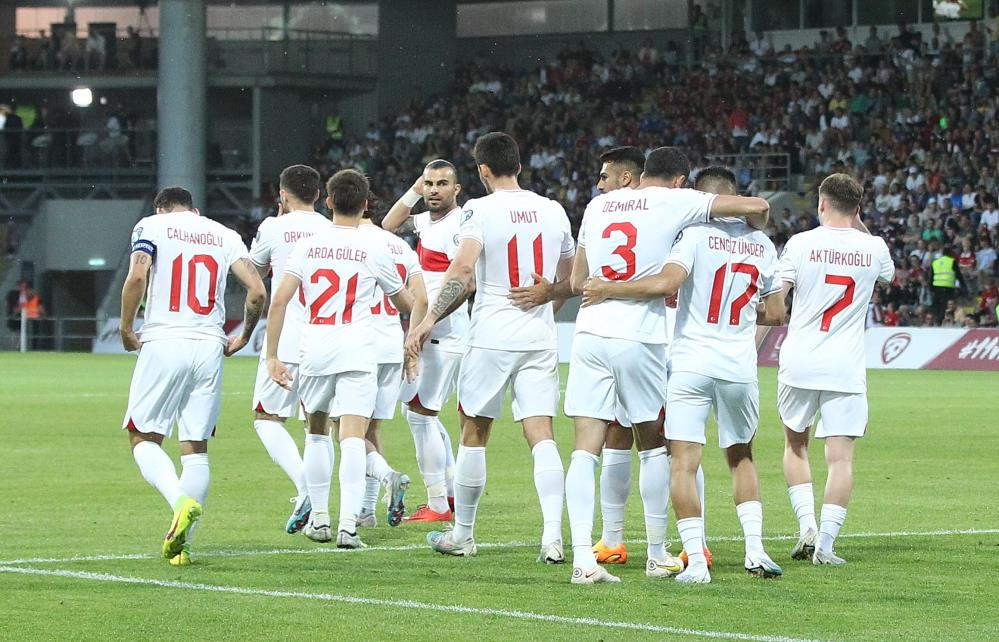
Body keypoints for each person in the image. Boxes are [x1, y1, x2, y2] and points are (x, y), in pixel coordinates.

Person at [509, 146, 712, 568]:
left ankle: (604, 549)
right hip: (648, 334)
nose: (598, 184)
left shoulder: (606, 209)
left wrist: (556, 291)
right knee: (656, 439)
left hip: (614, 331)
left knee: (610, 441)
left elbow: (581, 281)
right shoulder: (673, 212)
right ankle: (639, 546)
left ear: (628, 177)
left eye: (604, 176)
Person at [583, 167, 782, 584]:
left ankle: (695, 563)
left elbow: (667, 283)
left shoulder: (693, 235)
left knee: (683, 463)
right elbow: (777, 313)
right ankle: (755, 550)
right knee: (741, 455)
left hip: (691, 361)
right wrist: (742, 314)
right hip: (739, 365)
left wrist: (609, 288)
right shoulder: (763, 245)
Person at [405, 132, 574, 562]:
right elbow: (572, 280)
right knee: (541, 434)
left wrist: (428, 320)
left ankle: (463, 535)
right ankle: (553, 537)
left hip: (492, 336)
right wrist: (547, 297)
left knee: (474, 432)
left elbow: (462, 272)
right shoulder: (553, 210)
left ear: (482, 170)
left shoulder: (478, 210)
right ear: (519, 165)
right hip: (539, 336)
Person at [266, 169, 414, 549]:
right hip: (359, 349)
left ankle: (320, 520)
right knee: (352, 437)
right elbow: (404, 302)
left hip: (314, 347)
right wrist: (419, 320)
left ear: (328, 201)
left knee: (316, 432)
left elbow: (279, 301)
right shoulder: (374, 248)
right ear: (365, 204)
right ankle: (348, 526)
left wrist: (272, 356)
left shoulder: (308, 246)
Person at [121, 186, 266, 566]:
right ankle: (182, 547)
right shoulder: (223, 234)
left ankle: (179, 501)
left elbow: (136, 278)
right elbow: (256, 291)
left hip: (164, 339)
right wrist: (244, 336)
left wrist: (125, 327)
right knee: (195, 449)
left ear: (161, 209)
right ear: (195, 211)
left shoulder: (151, 226)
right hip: (209, 346)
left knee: (143, 437)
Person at [775, 174, 894, 565]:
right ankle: (825, 545)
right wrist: (858, 222)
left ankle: (806, 527)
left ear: (821, 203)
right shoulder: (874, 247)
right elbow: (888, 275)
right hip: (845, 366)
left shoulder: (799, 243)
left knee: (796, 446)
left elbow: (778, 297)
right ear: (858, 208)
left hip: (799, 361)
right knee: (840, 459)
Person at [381, 160, 470, 523]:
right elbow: (389, 226)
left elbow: (465, 284)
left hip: (442, 334)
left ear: (456, 189)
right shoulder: (426, 222)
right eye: (429, 183)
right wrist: (413, 191)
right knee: (419, 412)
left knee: (420, 415)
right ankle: (449, 491)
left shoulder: (459, 226)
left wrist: (428, 323)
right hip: (430, 331)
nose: (434, 190)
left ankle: (438, 504)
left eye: (442, 183)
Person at [247, 165, 334, 534]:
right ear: (318, 195)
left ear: (283, 195)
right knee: (319, 427)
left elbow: (253, 274)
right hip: (327, 339)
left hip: (286, 339)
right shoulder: (333, 228)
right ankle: (327, 509)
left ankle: (305, 488)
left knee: (266, 418)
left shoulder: (273, 227)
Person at [354, 204, 427, 527]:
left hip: (359, 343)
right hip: (391, 343)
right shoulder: (400, 247)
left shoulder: (352, 241)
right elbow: (421, 299)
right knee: (371, 429)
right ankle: (367, 511)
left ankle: (387, 476)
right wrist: (412, 345)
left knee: (347, 430)